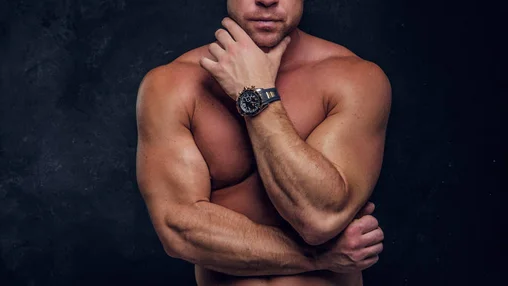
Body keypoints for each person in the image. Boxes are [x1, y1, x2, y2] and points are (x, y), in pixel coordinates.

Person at [136, 0, 391, 284]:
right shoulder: (172, 85)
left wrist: (257, 93)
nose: (267, 0)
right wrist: (317, 258)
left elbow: (318, 218)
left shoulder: (354, 79)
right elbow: (179, 231)